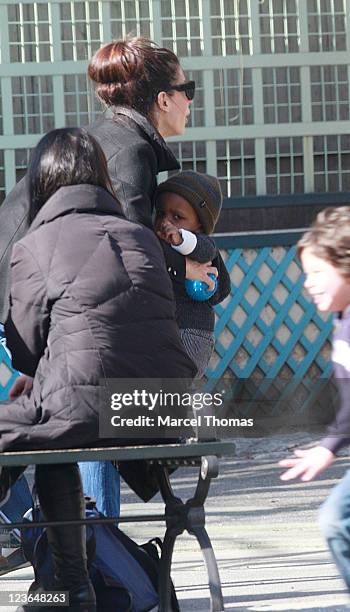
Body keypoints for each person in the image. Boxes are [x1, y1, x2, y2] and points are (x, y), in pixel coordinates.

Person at [0, 36, 216, 519]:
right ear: (163, 99)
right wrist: (185, 266)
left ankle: (70, 540)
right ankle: (88, 540)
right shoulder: (129, 151)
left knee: (70, 408)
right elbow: (124, 248)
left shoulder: (114, 139)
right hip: (23, 293)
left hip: (34, 290)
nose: (189, 101)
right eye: (188, 89)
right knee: (89, 402)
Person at [0, 127, 196, 611]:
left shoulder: (35, 246)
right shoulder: (140, 236)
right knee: (54, 431)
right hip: (161, 411)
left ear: (41, 181)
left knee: (40, 428)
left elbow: (25, 353)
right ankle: (70, 584)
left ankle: (72, 581)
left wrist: (46, 371)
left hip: (88, 407)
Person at [279, 207, 350, 591]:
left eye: (318, 273)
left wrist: (330, 447)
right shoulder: (343, 320)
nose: (309, 284)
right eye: (306, 275)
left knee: (338, 520)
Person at [155, 170, 231, 377]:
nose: (166, 221)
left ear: (199, 224)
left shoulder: (201, 244)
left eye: (177, 217)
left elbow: (204, 250)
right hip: (167, 330)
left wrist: (180, 240)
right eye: (161, 213)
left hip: (192, 331)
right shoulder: (158, 247)